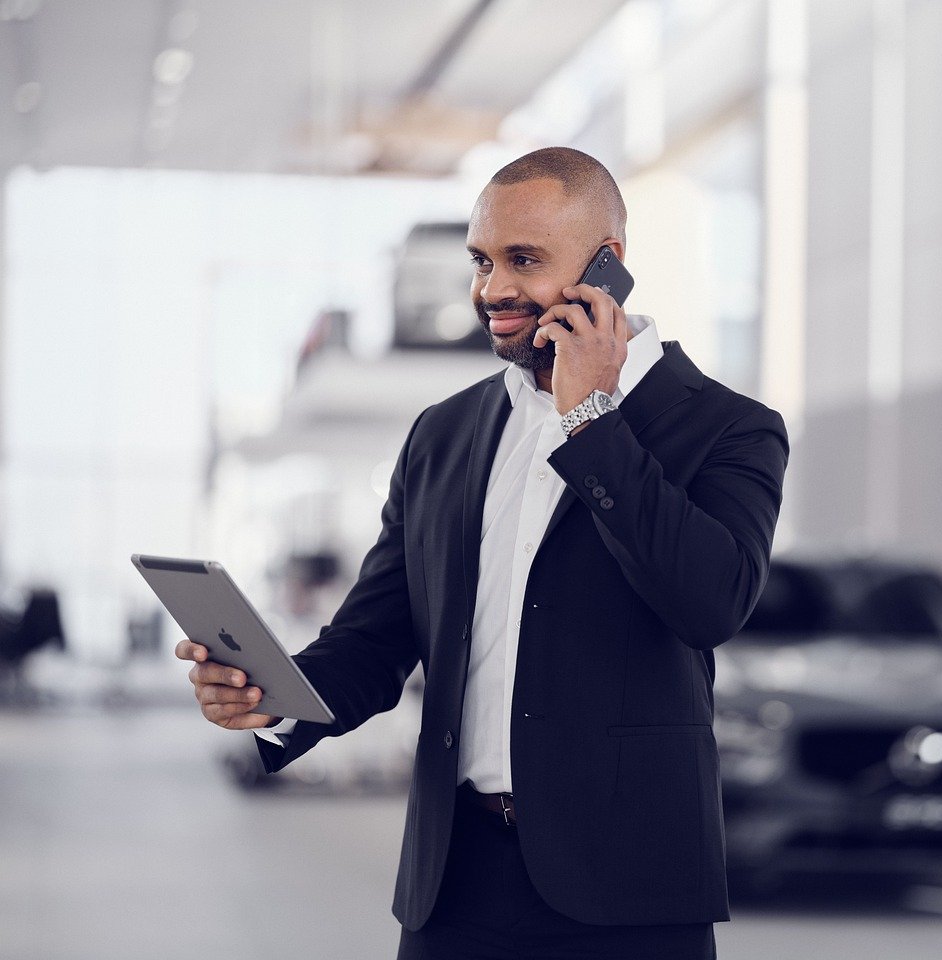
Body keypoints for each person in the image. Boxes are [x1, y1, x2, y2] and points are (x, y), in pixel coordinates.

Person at [176, 146, 789, 959]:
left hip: (629, 896)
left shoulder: (726, 427)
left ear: (609, 264)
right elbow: (376, 638)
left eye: (523, 261)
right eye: (482, 260)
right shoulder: (445, 434)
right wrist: (275, 697)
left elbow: (709, 603)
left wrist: (593, 422)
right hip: (454, 889)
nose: (492, 289)